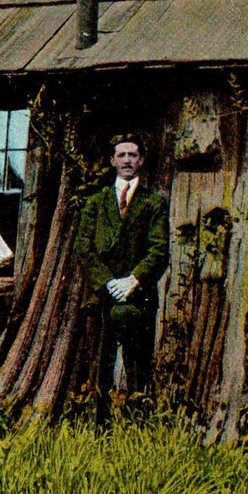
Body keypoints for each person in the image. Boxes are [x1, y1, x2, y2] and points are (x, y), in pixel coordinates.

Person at [74, 133, 169, 401]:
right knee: (99, 366)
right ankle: (98, 424)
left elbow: (158, 249)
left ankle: (137, 425)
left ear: (141, 161)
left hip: (138, 295)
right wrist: (108, 283)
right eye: (121, 155)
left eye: (133, 155)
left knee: (138, 365)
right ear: (112, 160)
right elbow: (84, 248)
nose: (127, 160)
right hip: (100, 295)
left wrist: (132, 281)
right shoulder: (95, 202)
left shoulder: (154, 202)